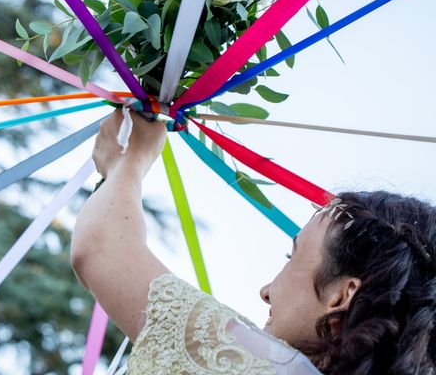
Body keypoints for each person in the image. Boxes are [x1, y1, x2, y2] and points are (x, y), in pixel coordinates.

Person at [71, 110, 436, 374]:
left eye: (292, 256)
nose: (265, 290)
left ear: (341, 296)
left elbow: (100, 248)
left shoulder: (276, 370)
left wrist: (127, 159)